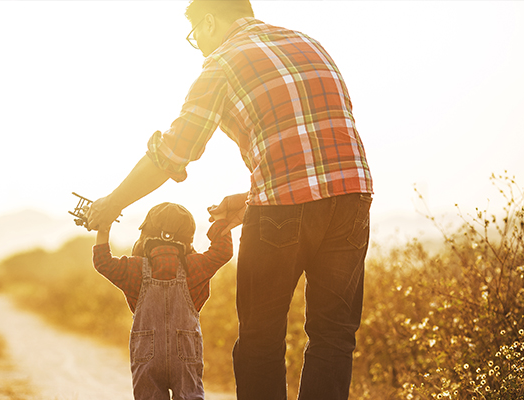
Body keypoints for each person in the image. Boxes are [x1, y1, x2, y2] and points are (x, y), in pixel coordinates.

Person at [87, 1, 373, 398]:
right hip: (353, 197)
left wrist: (113, 202)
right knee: (334, 336)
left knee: (260, 338)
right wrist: (251, 198)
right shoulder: (310, 45)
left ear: (209, 21)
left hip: (282, 208)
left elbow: (173, 153)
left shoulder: (222, 63)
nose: (199, 46)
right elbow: (315, 150)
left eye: (196, 35)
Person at [92, 202, 233, 400]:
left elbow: (103, 262)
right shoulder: (194, 266)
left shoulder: (135, 269)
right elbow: (222, 252)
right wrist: (220, 220)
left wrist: (104, 228)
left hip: (146, 352)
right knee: (189, 396)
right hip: (185, 352)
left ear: (146, 235)